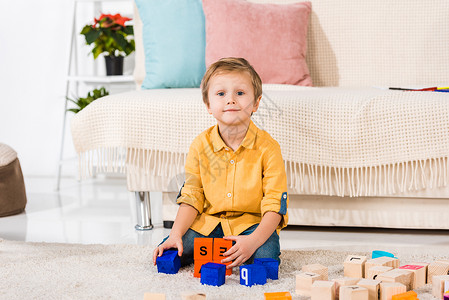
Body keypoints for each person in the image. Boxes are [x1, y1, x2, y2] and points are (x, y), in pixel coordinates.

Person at [153, 57, 288, 269]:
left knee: (266, 257)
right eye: (221, 94)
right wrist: (176, 234)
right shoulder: (199, 145)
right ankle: (190, 245)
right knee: (173, 249)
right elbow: (192, 195)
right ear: (208, 105)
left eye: (240, 93)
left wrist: (252, 242)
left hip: (251, 226)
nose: (231, 100)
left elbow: (274, 204)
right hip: (208, 223)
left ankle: (245, 249)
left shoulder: (268, 148)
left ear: (256, 103)